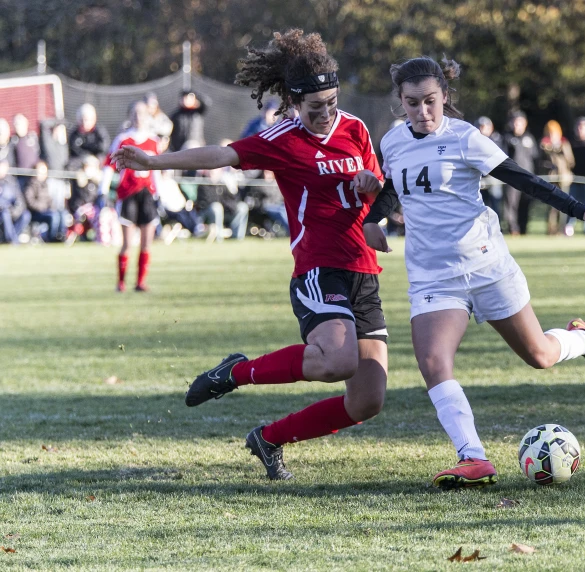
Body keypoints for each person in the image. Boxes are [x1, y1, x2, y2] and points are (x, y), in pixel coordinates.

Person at [112, 29, 388, 481]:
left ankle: (269, 439)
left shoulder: (355, 129)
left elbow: (373, 196)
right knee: (337, 361)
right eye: (314, 107)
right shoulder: (282, 137)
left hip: (363, 272)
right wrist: (154, 162)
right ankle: (238, 373)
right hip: (320, 269)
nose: (325, 114)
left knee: (367, 401)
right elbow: (221, 154)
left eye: (332, 103)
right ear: (294, 102)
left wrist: (373, 198)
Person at [363, 56, 585, 490]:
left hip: (486, 266)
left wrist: (584, 211)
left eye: (431, 101)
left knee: (539, 355)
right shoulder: (392, 141)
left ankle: (584, 340)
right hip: (433, 276)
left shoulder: (465, 138)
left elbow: (522, 179)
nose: (423, 112)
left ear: (445, 96)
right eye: (412, 104)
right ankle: (473, 458)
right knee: (432, 361)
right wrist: (375, 218)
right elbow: (395, 185)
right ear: (401, 102)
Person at [101, 101, 161, 292]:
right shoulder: (123, 139)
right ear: (130, 115)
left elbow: (157, 169)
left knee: (146, 241)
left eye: (142, 113)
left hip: (147, 194)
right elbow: (109, 165)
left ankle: (140, 282)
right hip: (128, 194)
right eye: (135, 112)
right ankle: (121, 282)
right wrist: (103, 191)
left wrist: (159, 193)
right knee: (127, 242)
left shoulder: (153, 140)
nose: (139, 116)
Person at [503, 111, 539, 235]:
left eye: (520, 122)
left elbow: (535, 158)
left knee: (526, 204)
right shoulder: (507, 138)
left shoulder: (529, 139)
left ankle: (523, 229)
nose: (517, 125)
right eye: (515, 122)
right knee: (511, 204)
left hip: (528, 178)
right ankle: (513, 228)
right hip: (512, 178)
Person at [539, 120, 575, 235]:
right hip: (551, 179)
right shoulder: (544, 144)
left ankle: (562, 229)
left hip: (564, 179)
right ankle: (551, 230)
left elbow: (571, 161)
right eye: (549, 133)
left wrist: (561, 150)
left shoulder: (564, 143)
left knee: (565, 204)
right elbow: (541, 162)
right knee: (552, 206)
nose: (552, 135)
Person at [195, 166, 248, 241]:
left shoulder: (222, 185)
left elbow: (231, 200)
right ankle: (218, 237)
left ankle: (237, 237)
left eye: (214, 172)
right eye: (211, 172)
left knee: (242, 207)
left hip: (225, 212)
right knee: (217, 207)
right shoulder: (203, 185)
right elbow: (207, 201)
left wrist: (231, 207)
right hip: (206, 213)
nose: (212, 174)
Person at [23, 160, 66, 242]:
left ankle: (60, 236)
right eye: (41, 172)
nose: (43, 174)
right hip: (36, 213)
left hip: (46, 210)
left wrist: (52, 207)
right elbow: (30, 202)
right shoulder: (30, 185)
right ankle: (52, 238)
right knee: (54, 216)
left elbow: (49, 199)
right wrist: (42, 208)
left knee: (61, 213)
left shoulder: (45, 184)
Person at [475, 116, 506, 220]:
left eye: (485, 127)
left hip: (493, 176)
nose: (482, 129)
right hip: (479, 176)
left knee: (495, 202)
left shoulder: (497, 139)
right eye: (480, 127)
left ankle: (498, 227)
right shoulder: (473, 141)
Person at [69, 104, 110, 168]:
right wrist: (86, 158)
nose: (84, 123)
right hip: (80, 163)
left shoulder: (100, 132)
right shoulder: (74, 134)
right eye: (81, 120)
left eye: (86, 119)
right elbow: (75, 150)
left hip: (97, 163)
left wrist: (94, 159)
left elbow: (103, 148)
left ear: (94, 119)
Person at [0, 158, 30, 244]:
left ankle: (12, 238)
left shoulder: (11, 181)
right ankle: (12, 240)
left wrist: (16, 210)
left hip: (12, 211)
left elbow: (19, 198)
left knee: (26, 215)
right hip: (3, 211)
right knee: (5, 214)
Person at [11, 114, 41, 191]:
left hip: (34, 177)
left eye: (19, 123)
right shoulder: (13, 141)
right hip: (20, 178)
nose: (17, 126)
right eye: (16, 124)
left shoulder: (33, 137)